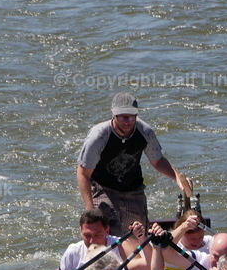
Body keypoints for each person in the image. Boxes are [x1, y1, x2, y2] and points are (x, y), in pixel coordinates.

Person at [76, 93, 192, 233]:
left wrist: (177, 177)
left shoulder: (145, 132)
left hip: (133, 189)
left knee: (138, 234)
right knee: (108, 232)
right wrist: (90, 211)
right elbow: (83, 173)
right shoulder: (99, 136)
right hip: (103, 187)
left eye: (131, 116)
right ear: (113, 113)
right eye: (122, 117)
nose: (127, 121)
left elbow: (158, 160)